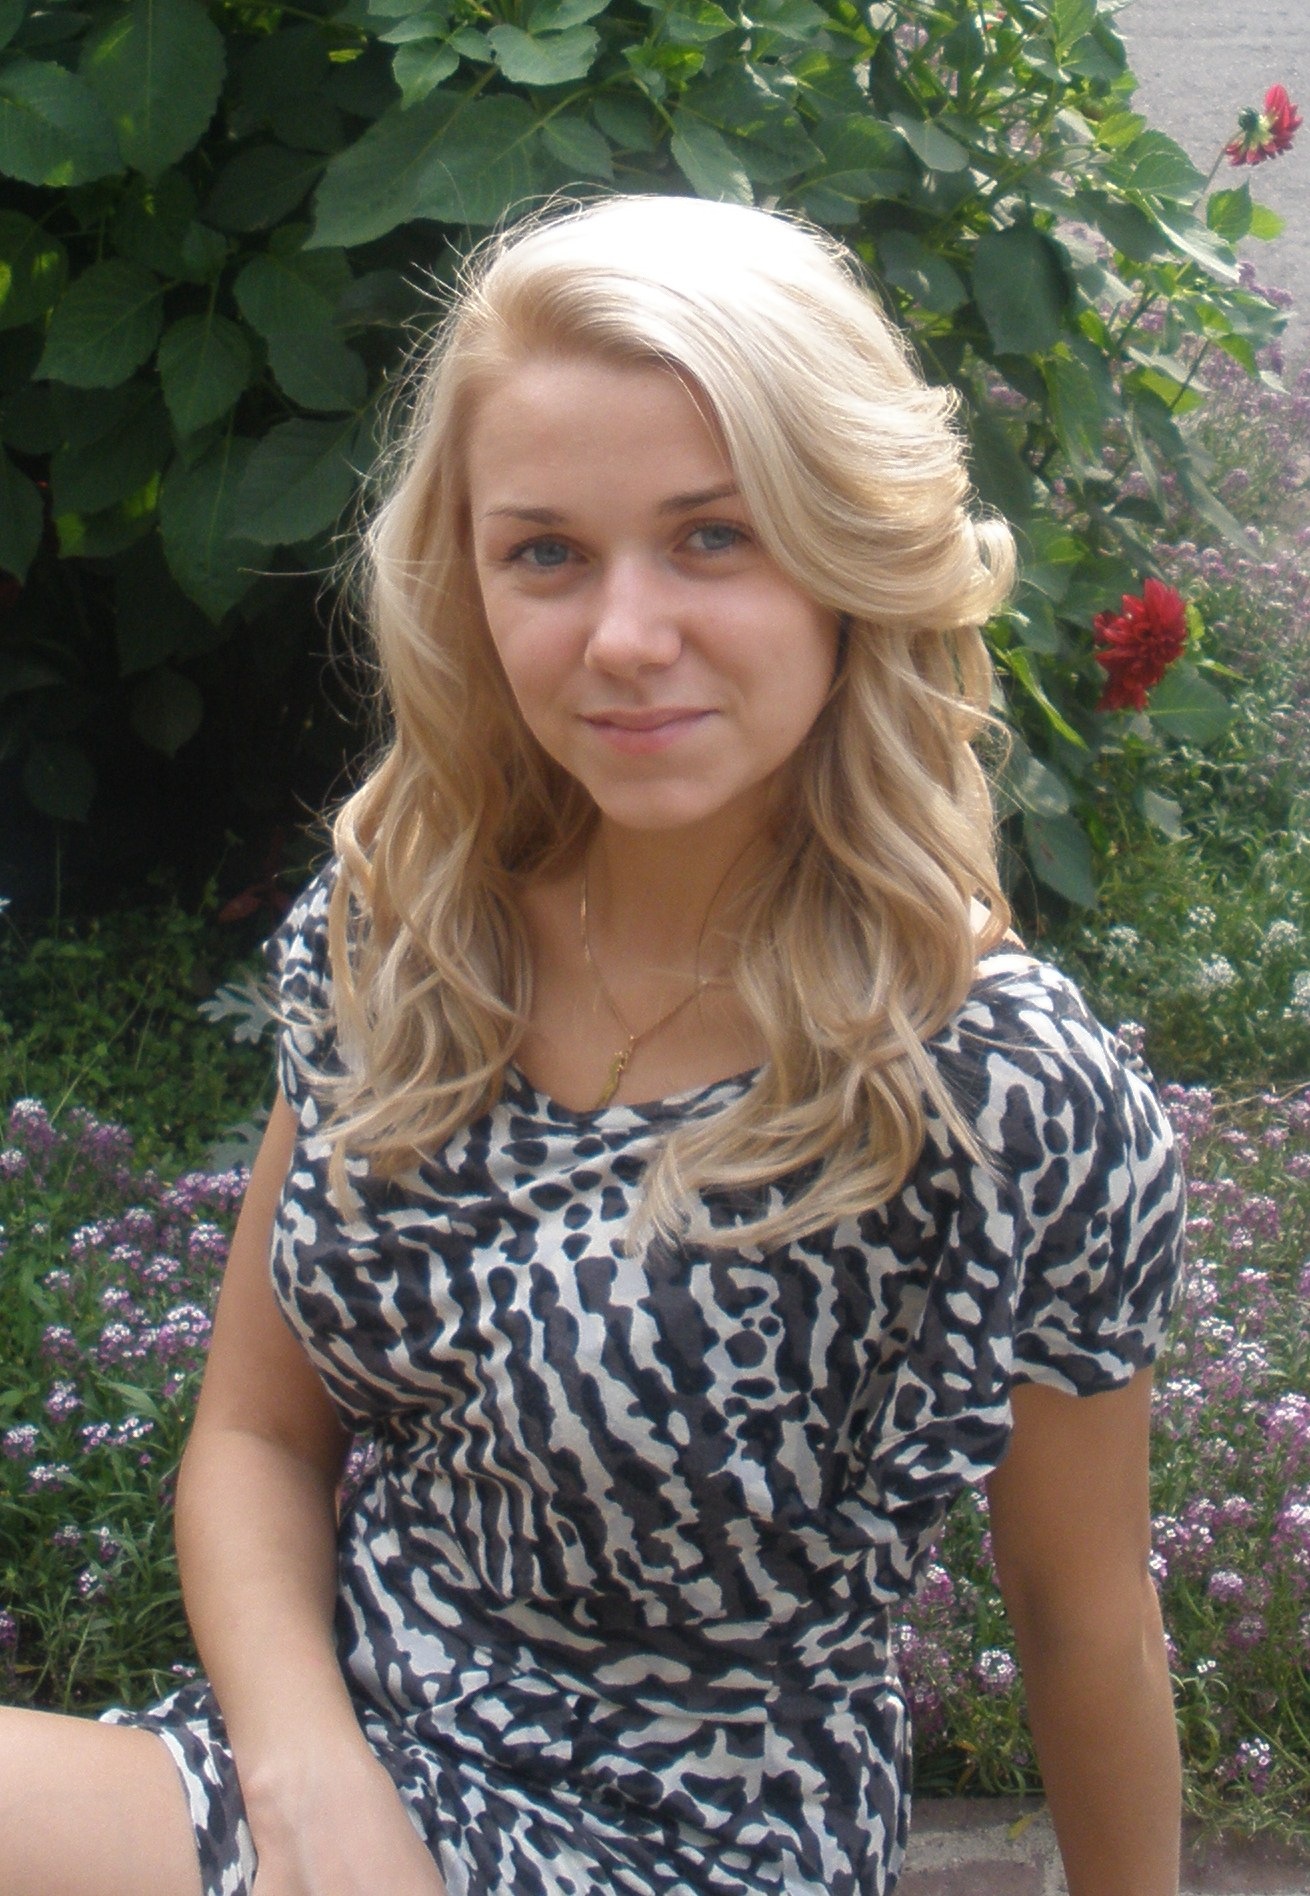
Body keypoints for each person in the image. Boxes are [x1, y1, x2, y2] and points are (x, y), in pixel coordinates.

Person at [0, 194, 1186, 1896]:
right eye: (545, 553)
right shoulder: (405, 931)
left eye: (712, 537)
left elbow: (1083, 1619)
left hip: (690, 1841)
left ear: (847, 553)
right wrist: (316, 1795)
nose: (624, 639)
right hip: (311, 1775)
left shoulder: (999, 1087)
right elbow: (255, 1439)